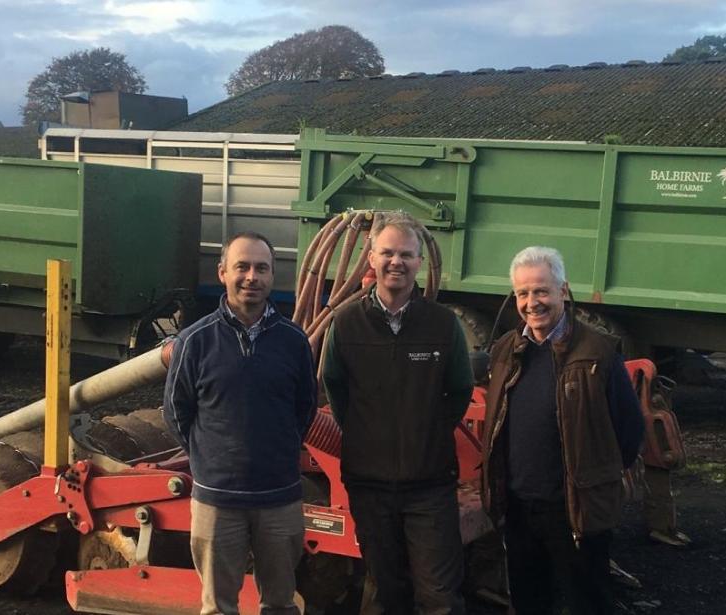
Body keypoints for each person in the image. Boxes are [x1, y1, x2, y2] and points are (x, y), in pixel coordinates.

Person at [322, 211, 474, 614]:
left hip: (429, 486)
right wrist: (363, 433)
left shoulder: (442, 325)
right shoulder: (347, 323)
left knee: (439, 595)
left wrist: (429, 432)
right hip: (369, 486)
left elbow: (460, 389)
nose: (396, 262)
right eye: (387, 253)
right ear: (371, 258)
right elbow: (336, 388)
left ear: (419, 263)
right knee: (384, 591)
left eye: (406, 254)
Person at [481, 246, 644, 615]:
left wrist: (596, 483)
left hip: (575, 509)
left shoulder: (597, 352)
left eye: (541, 290)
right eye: (522, 293)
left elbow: (629, 430)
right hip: (520, 506)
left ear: (563, 291)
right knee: (528, 600)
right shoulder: (506, 350)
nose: (531, 302)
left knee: (587, 601)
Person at [164, 231, 317, 615]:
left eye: (261, 268)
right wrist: (210, 459)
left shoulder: (293, 341)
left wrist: (276, 450)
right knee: (218, 606)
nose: (252, 276)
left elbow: (305, 409)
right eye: (242, 267)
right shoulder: (193, 342)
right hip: (218, 500)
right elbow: (176, 411)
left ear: (272, 276)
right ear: (222, 273)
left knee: (281, 603)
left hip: (280, 497)